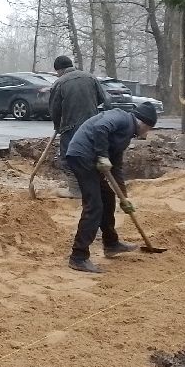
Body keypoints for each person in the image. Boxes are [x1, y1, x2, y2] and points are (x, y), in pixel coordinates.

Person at [63, 103, 158, 273]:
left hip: (91, 160)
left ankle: (111, 243)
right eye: (149, 128)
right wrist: (102, 155)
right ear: (144, 123)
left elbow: (117, 168)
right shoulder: (122, 118)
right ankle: (78, 256)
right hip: (82, 156)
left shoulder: (126, 135)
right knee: (94, 206)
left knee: (108, 197)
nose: (147, 132)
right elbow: (100, 127)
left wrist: (124, 197)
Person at [49, 55, 109, 159]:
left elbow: (55, 109)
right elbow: (102, 99)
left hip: (70, 128)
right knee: (90, 155)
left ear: (60, 70)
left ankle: (70, 174)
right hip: (92, 124)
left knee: (69, 158)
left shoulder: (59, 83)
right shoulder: (91, 77)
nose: (58, 75)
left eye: (57, 72)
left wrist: (58, 126)